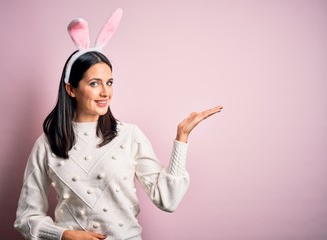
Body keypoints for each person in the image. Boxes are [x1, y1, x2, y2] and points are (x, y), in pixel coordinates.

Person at [14, 9, 223, 240]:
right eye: (94, 83)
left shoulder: (129, 136)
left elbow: (168, 199)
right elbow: (26, 217)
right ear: (71, 89)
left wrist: (182, 137)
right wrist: (64, 234)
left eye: (109, 82)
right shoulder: (46, 144)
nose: (105, 92)